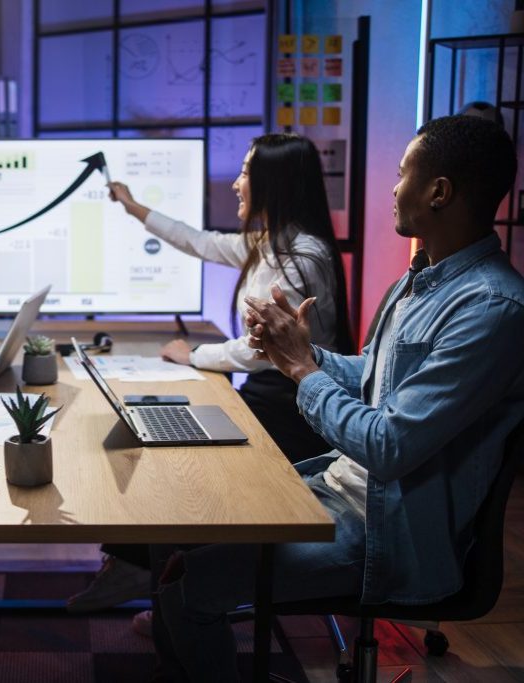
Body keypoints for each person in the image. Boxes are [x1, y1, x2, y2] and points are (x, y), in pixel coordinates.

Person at [154, 114, 524, 681]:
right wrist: (299, 350)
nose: (394, 188)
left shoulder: (491, 309)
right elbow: (374, 374)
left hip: (386, 533)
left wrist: (303, 369)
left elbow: (389, 446)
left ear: (439, 192)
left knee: (188, 585)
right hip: (341, 488)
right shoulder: (421, 279)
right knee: (182, 533)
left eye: (403, 174)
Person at [68, 133, 352, 615]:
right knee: (165, 434)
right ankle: (150, 573)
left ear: (273, 183)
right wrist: (135, 207)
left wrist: (195, 353)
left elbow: (259, 351)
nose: (238, 184)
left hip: (291, 411)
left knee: (178, 457)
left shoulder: (302, 258)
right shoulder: (271, 244)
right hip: (271, 396)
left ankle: (160, 579)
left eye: (246, 173)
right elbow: (198, 241)